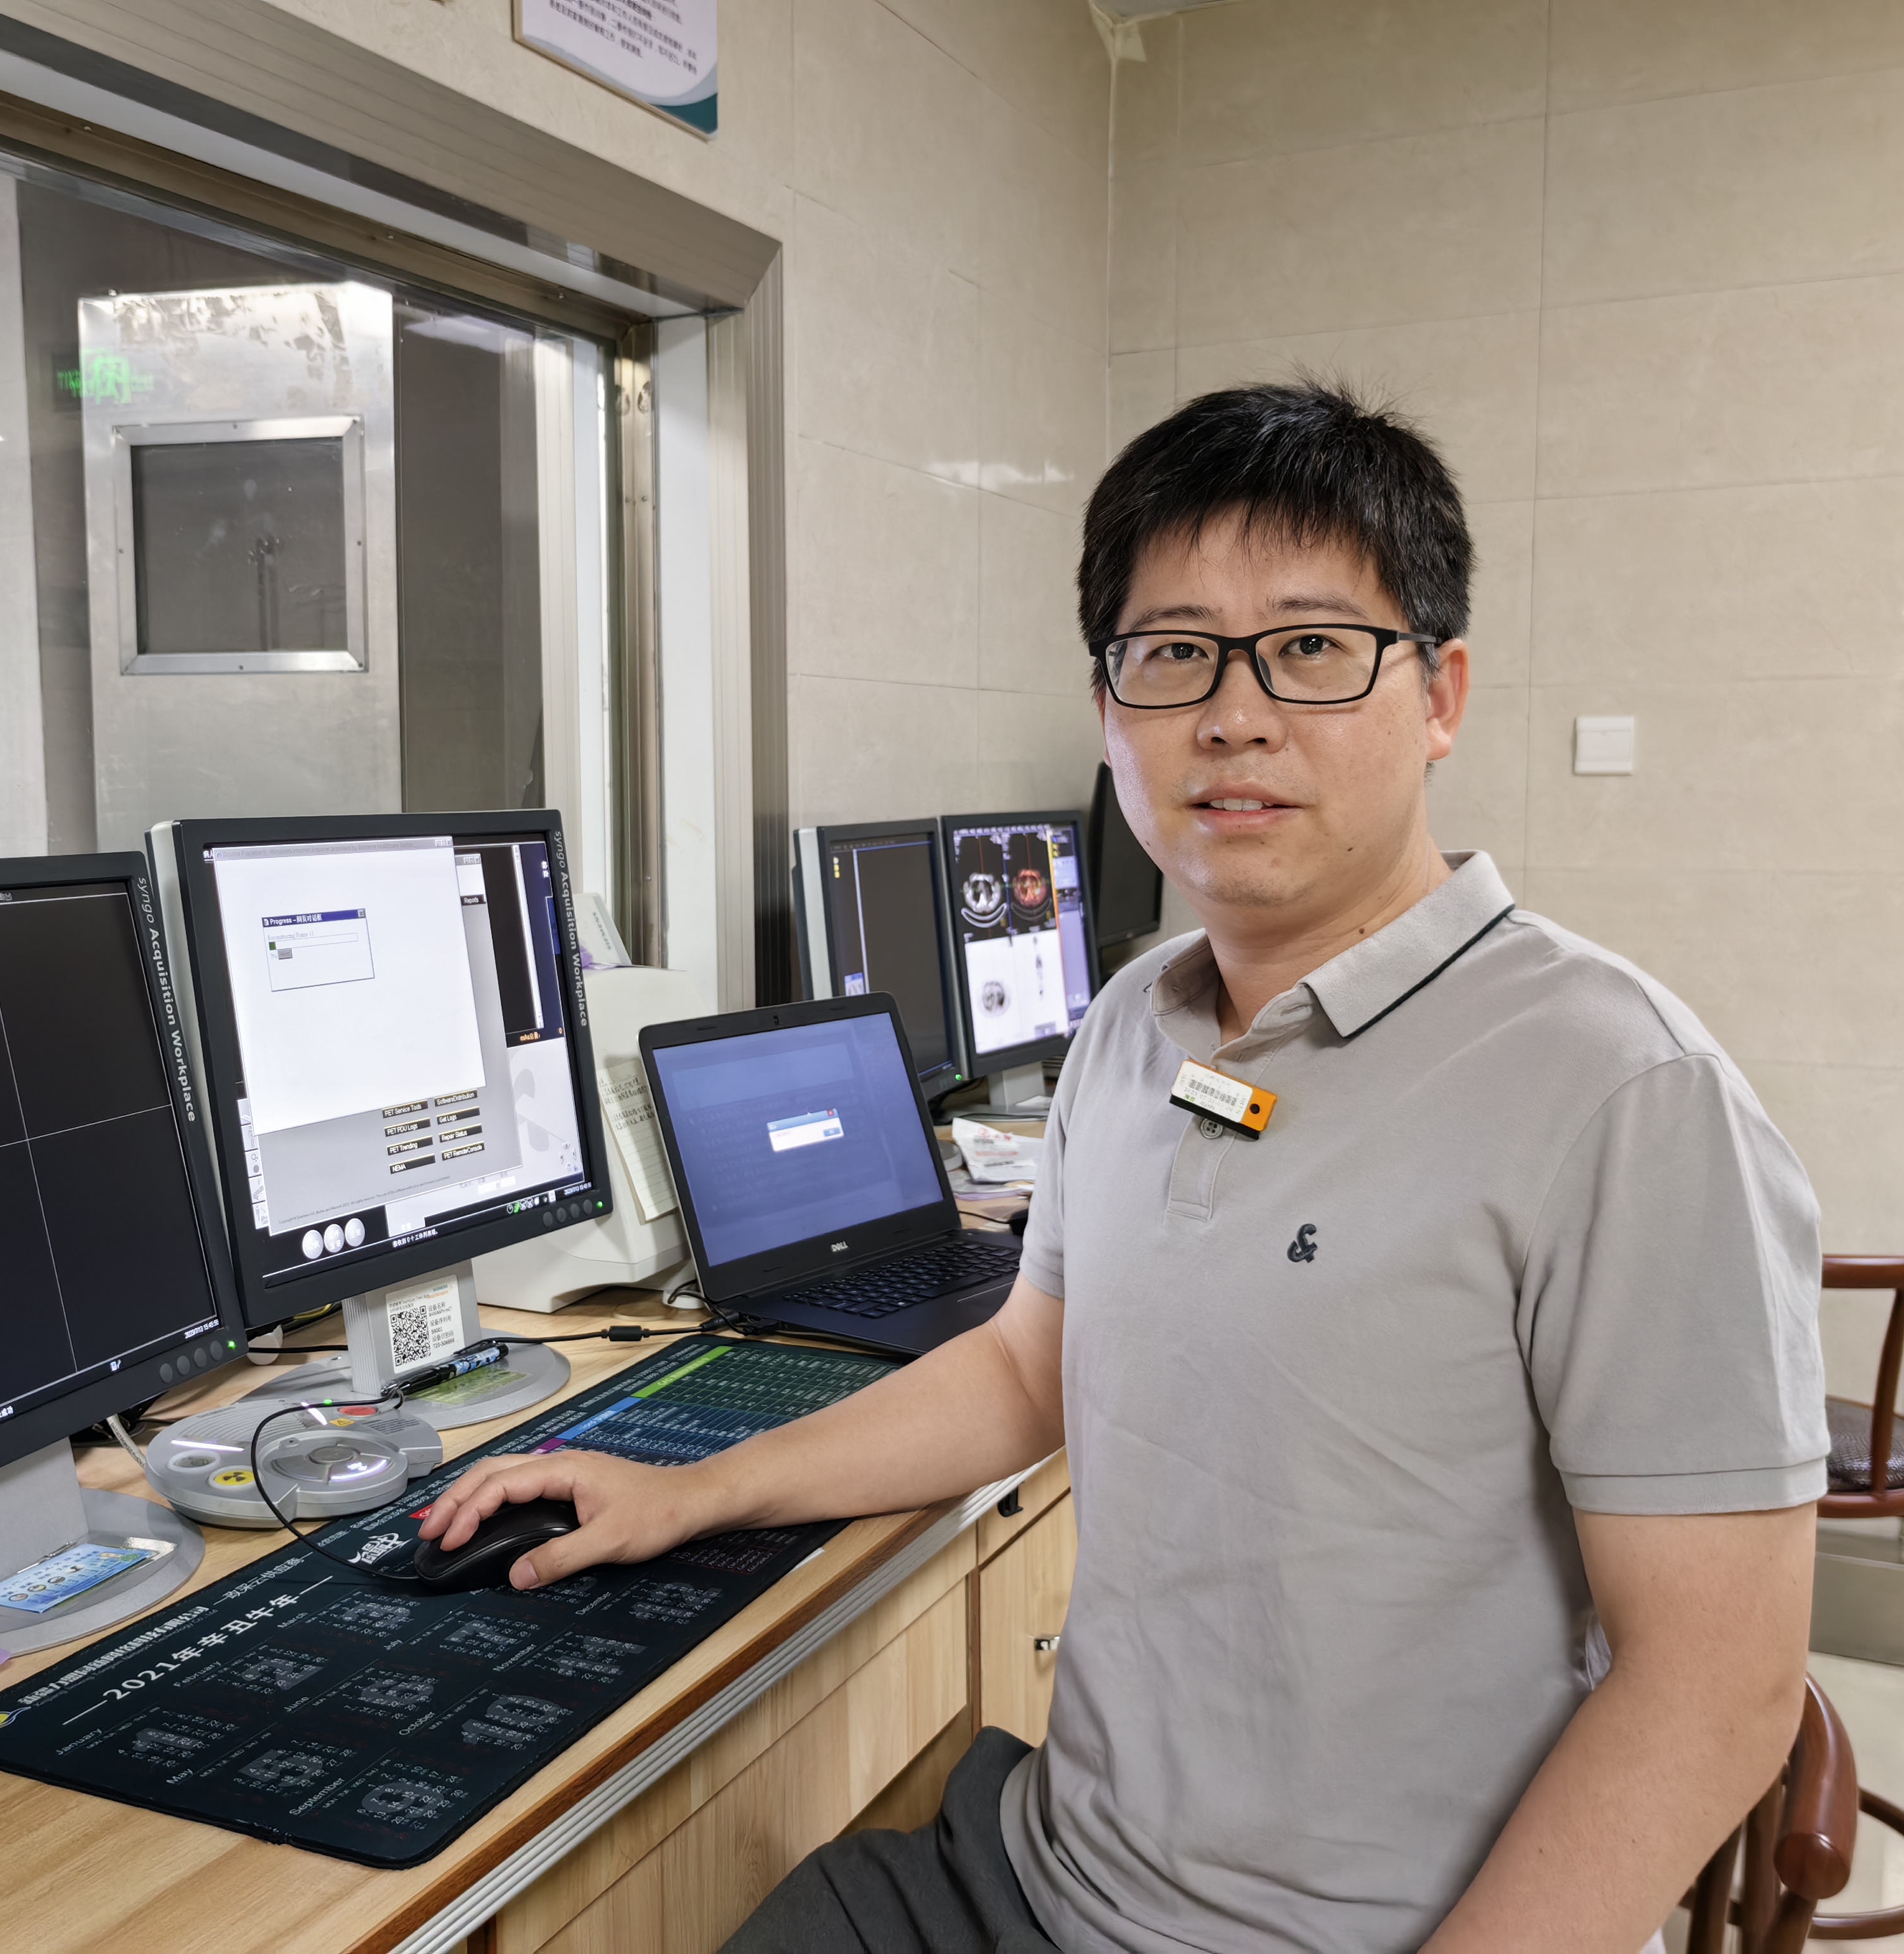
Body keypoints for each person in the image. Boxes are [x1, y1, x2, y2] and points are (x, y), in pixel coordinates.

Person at [418, 382, 1828, 1953]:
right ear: (1108, 711)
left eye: (1310, 648)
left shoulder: (1618, 1090)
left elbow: (1715, 1685)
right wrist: (695, 1491)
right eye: (1172, 655)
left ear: (1438, 693)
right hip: (1037, 1875)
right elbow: (1028, 1366)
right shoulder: (1133, 1022)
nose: (1233, 717)